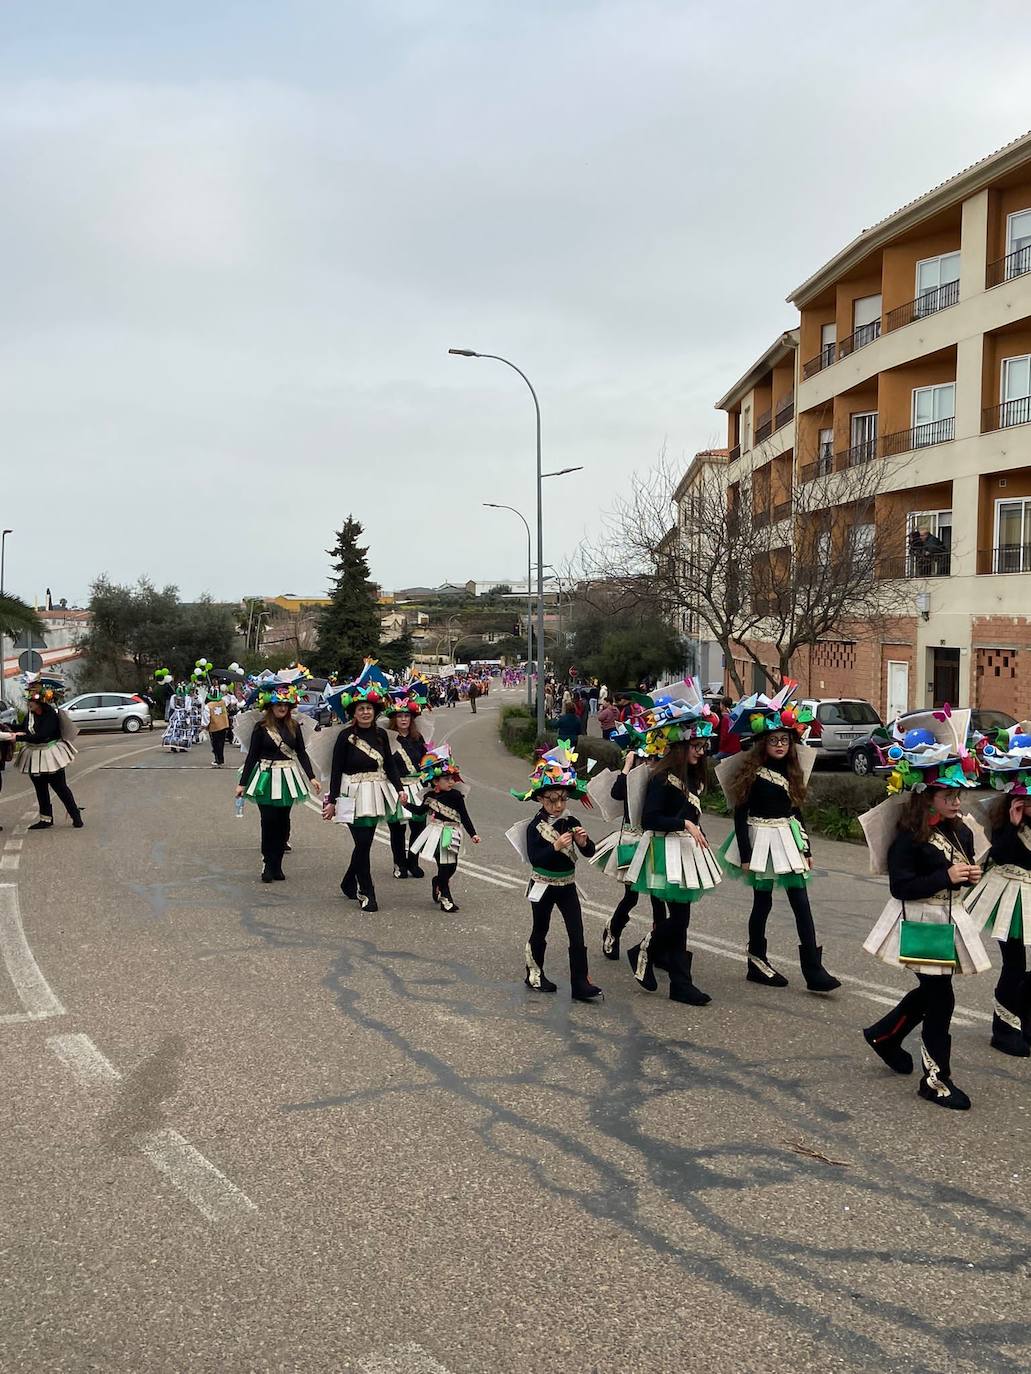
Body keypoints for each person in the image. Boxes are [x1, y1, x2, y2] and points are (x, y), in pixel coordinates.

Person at [861, 713, 988, 1109]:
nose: (957, 801)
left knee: (932, 994)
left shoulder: (961, 829)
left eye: (958, 795)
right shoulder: (907, 837)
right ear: (925, 795)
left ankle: (885, 1035)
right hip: (919, 921)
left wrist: (967, 875)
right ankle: (935, 1080)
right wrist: (947, 876)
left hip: (947, 920)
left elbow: (954, 873)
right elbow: (901, 887)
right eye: (948, 795)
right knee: (941, 999)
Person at [718, 686, 840, 993]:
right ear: (763, 743)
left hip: (787, 838)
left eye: (784, 740)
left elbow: (796, 813)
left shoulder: (793, 772)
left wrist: (806, 847)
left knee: (801, 902)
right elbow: (739, 814)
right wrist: (746, 855)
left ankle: (813, 968)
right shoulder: (751, 772)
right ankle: (756, 961)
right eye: (774, 740)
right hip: (760, 837)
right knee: (763, 902)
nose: (780, 744)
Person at [620, 694, 723, 1004]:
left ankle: (680, 982)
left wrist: (693, 826)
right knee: (678, 919)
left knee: (682, 919)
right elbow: (651, 818)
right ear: (680, 746)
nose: (701, 751)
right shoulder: (662, 778)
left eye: (703, 746)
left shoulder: (690, 778)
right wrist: (686, 825)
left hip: (685, 852)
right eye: (696, 746)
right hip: (665, 851)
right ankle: (644, 951)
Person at [507, 744, 602, 1002]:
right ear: (540, 798)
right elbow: (535, 858)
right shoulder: (534, 826)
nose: (558, 805)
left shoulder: (571, 821)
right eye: (552, 799)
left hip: (567, 885)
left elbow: (589, 852)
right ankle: (534, 973)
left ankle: (580, 982)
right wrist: (556, 846)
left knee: (577, 932)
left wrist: (584, 843)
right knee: (541, 928)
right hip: (543, 884)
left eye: (562, 799)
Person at [961, 725, 1031, 1057]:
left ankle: (1023, 1018)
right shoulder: (1003, 816)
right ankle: (1003, 1028)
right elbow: (998, 854)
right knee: (1014, 963)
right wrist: (1014, 824)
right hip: (1008, 895)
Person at [323, 682, 406, 912]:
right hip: (351, 794)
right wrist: (332, 802)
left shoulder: (381, 735)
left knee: (365, 843)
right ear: (354, 713)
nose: (366, 712)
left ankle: (349, 880)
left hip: (375, 792)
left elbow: (389, 764)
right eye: (361, 709)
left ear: (375, 711)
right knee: (362, 843)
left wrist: (399, 788)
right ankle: (366, 891)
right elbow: (336, 770)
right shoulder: (344, 736)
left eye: (369, 708)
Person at [236, 683, 320, 882]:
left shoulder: (294, 728)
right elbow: (252, 756)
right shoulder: (261, 728)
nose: (282, 708)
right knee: (268, 821)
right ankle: (267, 862)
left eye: (286, 704)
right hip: (265, 776)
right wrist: (242, 783)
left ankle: (278, 864)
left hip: (288, 777)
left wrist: (311, 777)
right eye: (278, 704)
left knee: (283, 822)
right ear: (270, 707)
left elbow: (301, 753)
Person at [409, 745, 480, 911]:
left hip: (453, 832)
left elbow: (464, 815)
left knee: (452, 866)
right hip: (436, 833)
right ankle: (446, 899)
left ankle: (438, 882)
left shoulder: (456, 795)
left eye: (452, 778)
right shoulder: (429, 796)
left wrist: (473, 834)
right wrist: (406, 804)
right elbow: (420, 812)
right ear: (435, 781)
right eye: (446, 779)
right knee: (443, 865)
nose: (451, 782)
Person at [9, 680, 82, 831]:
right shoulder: (30, 715)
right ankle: (46, 819)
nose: (28, 703)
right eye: (28, 701)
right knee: (40, 788)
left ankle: (76, 816)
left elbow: (42, 735)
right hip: (34, 755)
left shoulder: (50, 715)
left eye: (31, 701)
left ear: (40, 703)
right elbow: (23, 728)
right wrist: (7, 728)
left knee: (60, 787)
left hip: (50, 755)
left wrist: (18, 737)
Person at [385, 691, 430, 880]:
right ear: (394, 719)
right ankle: (399, 863)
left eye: (407, 716)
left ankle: (413, 861)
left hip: (418, 786)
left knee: (418, 827)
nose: (403, 719)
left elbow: (424, 762)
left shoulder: (417, 738)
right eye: (400, 716)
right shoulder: (386, 739)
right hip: (397, 787)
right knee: (398, 828)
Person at [202, 687, 231, 767]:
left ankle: (218, 759)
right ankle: (221, 759)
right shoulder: (223, 702)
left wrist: (204, 726)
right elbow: (229, 700)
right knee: (221, 743)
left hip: (214, 727)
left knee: (215, 743)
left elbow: (206, 717)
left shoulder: (208, 706)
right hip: (224, 725)